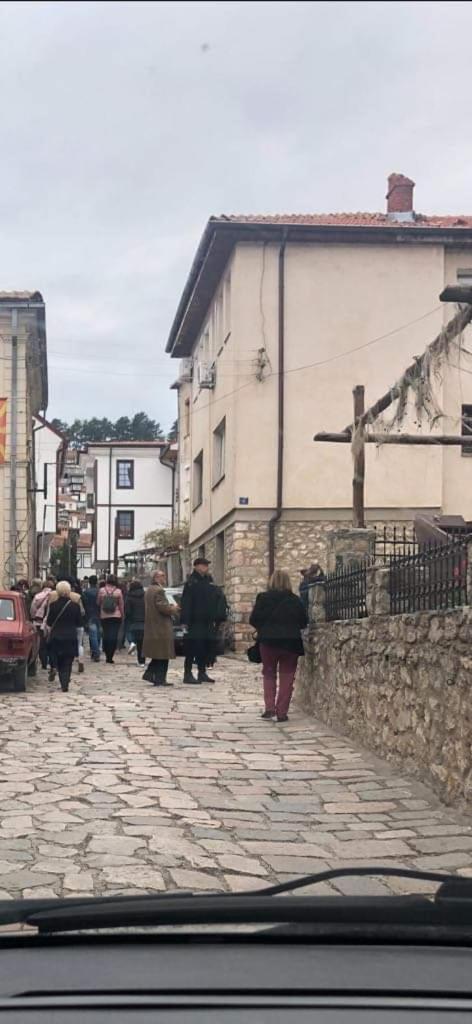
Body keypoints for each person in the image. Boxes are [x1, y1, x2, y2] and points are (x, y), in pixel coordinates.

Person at [249, 569, 308, 723]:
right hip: (291, 642)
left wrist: (266, 626)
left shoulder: (263, 598)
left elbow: (254, 619)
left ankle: (269, 709)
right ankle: (282, 712)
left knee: (269, 674)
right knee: (287, 677)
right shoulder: (295, 600)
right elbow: (303, 622)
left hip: (268, 642)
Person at [180, 558, 228, 684]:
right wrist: (185, 621)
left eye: (206, 565)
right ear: (196, 566)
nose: (206, 567)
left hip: (207, 621)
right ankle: (188, 673)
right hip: (194, 621)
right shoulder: (191, 582)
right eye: (203, 565)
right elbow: (186, 602)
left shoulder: (208, 581)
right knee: (192, 648)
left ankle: (202, 672)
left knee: (205, 647)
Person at [142, 569, 179, 686]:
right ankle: (160, 678)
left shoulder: (149, 590)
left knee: (158, 654)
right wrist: (174, 608)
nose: (165, 578)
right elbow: (163, 608)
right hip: (161, 626)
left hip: (153, 625)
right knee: (163, 654)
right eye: (163, 576)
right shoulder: (159, 590)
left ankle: (150, 674)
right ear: (156, 578)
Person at [45, 580, 83, 692]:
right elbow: (79, 623)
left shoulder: (53, 605)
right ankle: (65, 683)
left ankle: (55, 667)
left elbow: (49, 622)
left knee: (59, 658)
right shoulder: (75, 606)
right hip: (70, 637)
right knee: (68, 661)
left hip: (56, 637)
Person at [97, 574, 124, 664]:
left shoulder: (102, 590)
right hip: (116, 615)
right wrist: (122, 615)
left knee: (106, 634)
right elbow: (121, 605)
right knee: (114, 635)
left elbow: (98, 602)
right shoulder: (118, 591)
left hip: (104, 615)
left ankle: (106, 653)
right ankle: (110, 656)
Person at [30, 577, 55, 670]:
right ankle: (52, 662)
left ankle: (44, 663)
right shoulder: (55, 596)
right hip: (51, 623)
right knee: (51, 643)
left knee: (42, 644)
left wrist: (34, 617)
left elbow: (32, 610)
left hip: (38, 622)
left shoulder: (38, 596)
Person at [125, 579, 146, 666]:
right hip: (144, 621)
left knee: (136, 639)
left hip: (134, 621)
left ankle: (133, 643)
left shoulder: (129, 597)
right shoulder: (145, 596)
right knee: (142, 643)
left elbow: (128, 611)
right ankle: (142, 661)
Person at [82, 574, 101, 662]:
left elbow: (84, 604)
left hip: (89, 614)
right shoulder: (100, 591)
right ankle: (95, 651)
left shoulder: (86, 592)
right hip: (99, 614)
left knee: (92, 634)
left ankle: (95, 652)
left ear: (89, 582)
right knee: (98, 634)